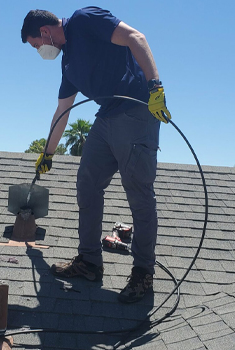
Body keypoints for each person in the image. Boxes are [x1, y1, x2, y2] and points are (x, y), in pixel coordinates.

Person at [21, 6, 171, 303]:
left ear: (46, 32)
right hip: (107, 118)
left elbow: (135, 37)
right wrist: (47, 153)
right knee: (87, 183)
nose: (40, 51)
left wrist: (155, 86)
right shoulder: (68, 65)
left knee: (138, 192)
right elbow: (62, 111)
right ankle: (89, 262)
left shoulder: (85, 20)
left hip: (136, 110)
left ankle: (143, 274)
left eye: (37, 45)